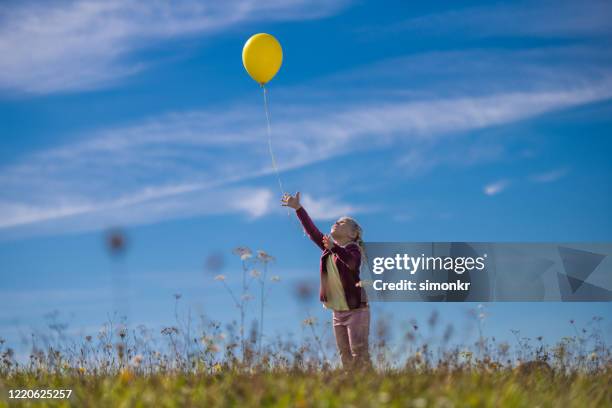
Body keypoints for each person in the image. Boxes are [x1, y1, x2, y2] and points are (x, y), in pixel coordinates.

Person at [281, 192, 371, 370]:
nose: (337, 222)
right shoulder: (329, 248)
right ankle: (351, 384)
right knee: (344, 354)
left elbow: (352, 264)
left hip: (356, 311)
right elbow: (312, 231)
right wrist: (298, 209)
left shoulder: (353, 248)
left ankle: (369, 381)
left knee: (359, 353)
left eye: (343, 222)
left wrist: (334, 247)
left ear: (353, 234)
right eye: (337, 221)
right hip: (338, 312)